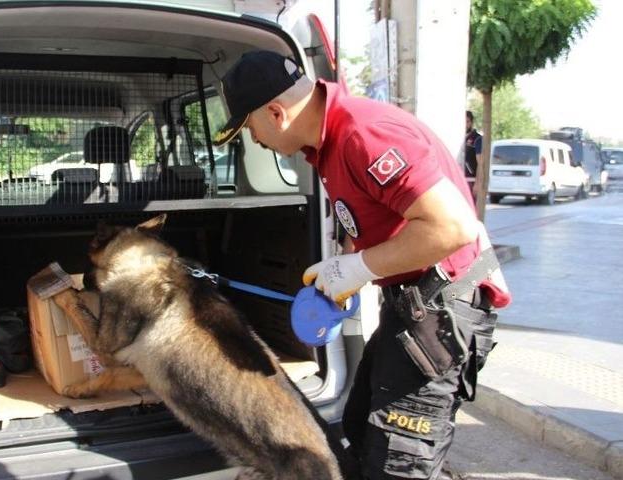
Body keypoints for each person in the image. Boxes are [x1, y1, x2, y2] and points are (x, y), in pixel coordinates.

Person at [213, 51, 510, 480]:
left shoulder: (362, 134)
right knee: (359, 434)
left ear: (276, 113)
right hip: (412, 306)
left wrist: (359, 268)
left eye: (249, 128)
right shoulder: (329, 146)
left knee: (397, 465)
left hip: (442, 309)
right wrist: (349, 267)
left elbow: (452, 227)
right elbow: (379, 217)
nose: (254, 140)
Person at [464, 111, 482, 198]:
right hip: (459, 178)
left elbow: (480, 163)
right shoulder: (457, 137)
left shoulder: (477, 139)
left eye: (467, 122)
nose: (465, 124)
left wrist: (477, 183)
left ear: (471, 122)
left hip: (471, 180)